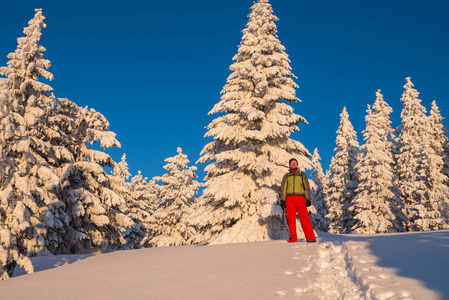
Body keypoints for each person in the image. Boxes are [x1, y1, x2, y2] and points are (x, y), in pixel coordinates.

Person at [279, 158, 317, 243]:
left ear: (297, 164)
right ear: (289, 165)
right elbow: (283, 188)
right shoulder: (286, 176)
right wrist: (282, 200)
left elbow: (306, 187)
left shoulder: (302, 175)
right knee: (290, 219)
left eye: (295, 162)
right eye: (292, 162)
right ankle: (292, 238)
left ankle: (310, 237)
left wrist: (308, 198)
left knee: (305, 218)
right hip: (289, 199)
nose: (293, 164)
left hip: (300, 198)